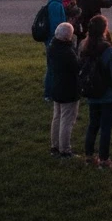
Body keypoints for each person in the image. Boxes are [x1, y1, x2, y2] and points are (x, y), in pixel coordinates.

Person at [80, 16, 112, 169]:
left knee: (93, 124)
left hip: (92, 92)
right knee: (106, 128)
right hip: (109, 95)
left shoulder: (85, 47)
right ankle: (104, 160)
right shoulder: (110, 51)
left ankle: (89, 156)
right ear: (104, 29)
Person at [48, 22, 81, 158]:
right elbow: (77, 67)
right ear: (69, 36)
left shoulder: (52, 47)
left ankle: (55, 146)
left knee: (57, 117)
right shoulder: (68, 52)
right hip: (69, 88)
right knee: (67, 120)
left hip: (56, 86)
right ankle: (65, 150)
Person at [43, 0, 68, 100]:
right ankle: (49, 94)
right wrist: (59, 41)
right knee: (52, 68)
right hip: (54, 42)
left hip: (53, 41)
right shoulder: (56, 5)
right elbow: (56, 26)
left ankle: (52, 92)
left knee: (53, 67)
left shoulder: (55, 2)